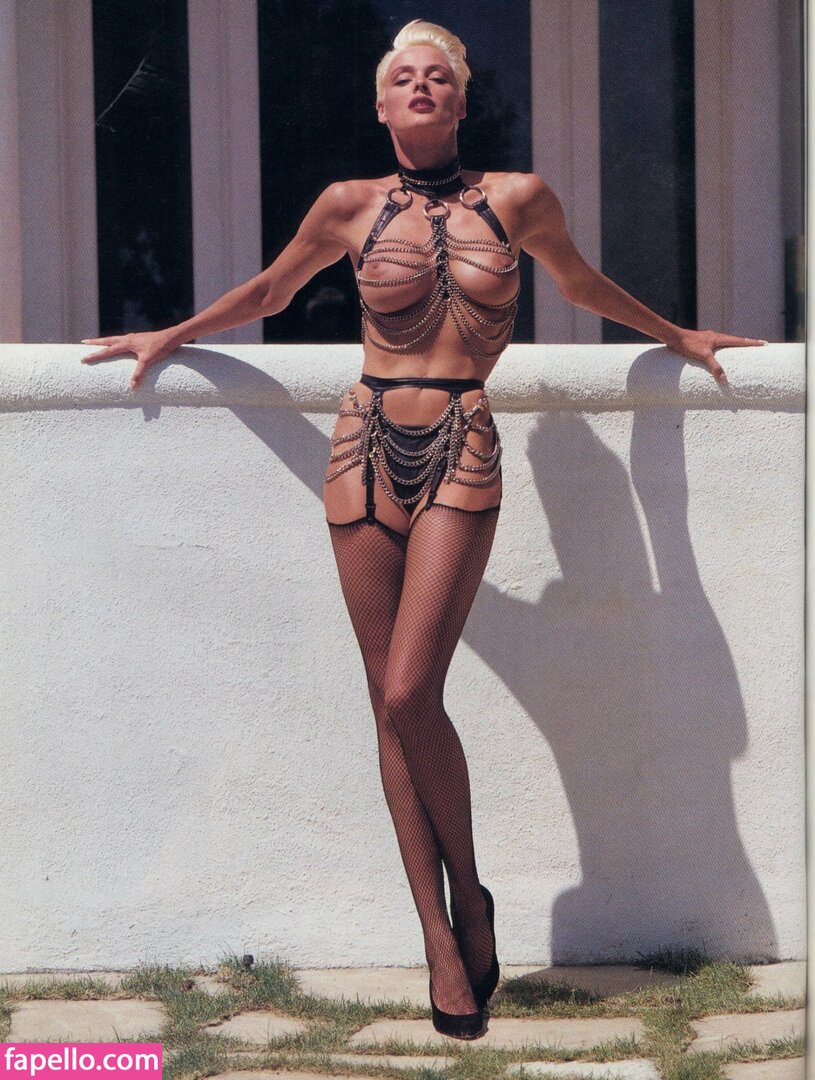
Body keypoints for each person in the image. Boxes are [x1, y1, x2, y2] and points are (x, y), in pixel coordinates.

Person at [81, 19, 767, 1041]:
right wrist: (168, 335)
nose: (418, 86)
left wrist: (677, 335)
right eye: (400, 76)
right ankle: (441, 943)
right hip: (360, 446)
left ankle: (472, 897)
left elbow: (579, 284)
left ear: (459, 99)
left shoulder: (518, 199)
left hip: (461, 441)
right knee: (386, 704)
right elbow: (271, 291)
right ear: (379, 105)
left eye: (435, 76)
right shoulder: (346, 205)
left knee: (411, 690)